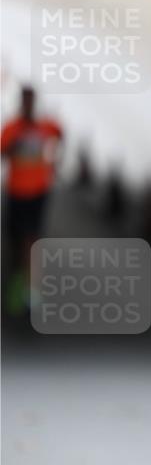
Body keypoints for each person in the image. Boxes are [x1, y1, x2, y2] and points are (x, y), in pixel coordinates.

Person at [1, 86, 63, 314]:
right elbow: (3, 152)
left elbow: (60, 134)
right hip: (16, 191)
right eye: (25, 101)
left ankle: (31, 289)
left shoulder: (44, 126)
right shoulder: (12, 128)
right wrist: (14, 145)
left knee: (31, 239)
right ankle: (17, 282)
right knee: (16, 240)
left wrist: (55, 162)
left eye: (31, 101)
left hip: (37, 191)